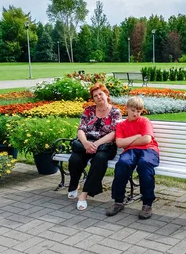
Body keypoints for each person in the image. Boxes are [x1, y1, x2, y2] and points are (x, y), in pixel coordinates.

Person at [68, 83, 122, 211]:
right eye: (95, 95)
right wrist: (86, 143)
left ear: (106, 95)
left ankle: (84, 194)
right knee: (74, 159)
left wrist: (96, 144)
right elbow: (81, 129)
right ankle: (74, 185)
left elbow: (114, 133)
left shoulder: (115, 112)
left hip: (105, 146)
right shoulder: (89, 110)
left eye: (100, 94)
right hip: (87, 144)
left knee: (99, 160)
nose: (98, 97)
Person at [106, 96, 159, 220]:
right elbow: (119, 143)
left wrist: (127, 141)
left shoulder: (144, 121)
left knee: (144, 165)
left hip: (149, 150)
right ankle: (118, 201)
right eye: (133, 110)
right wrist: (136, 136)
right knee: (122, 164)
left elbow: (147, 139)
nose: (136, 114)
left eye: (139, 111)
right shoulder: (121, 125)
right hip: (130, 152)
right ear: (127, 109)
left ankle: (147, 204)